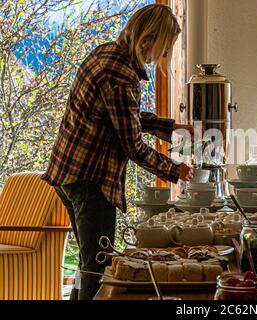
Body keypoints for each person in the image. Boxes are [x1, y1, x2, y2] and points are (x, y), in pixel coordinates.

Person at [42, 4, 194, 300]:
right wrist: (176, 170)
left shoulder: (107, 53)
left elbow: (125, 117)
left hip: (69, 173)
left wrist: (174, 128)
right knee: (99, 271)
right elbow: (133, 146)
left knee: (89, 265)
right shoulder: (121, 75)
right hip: (90, 180)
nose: (160, 58)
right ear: (147, 40)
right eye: (163, 50)